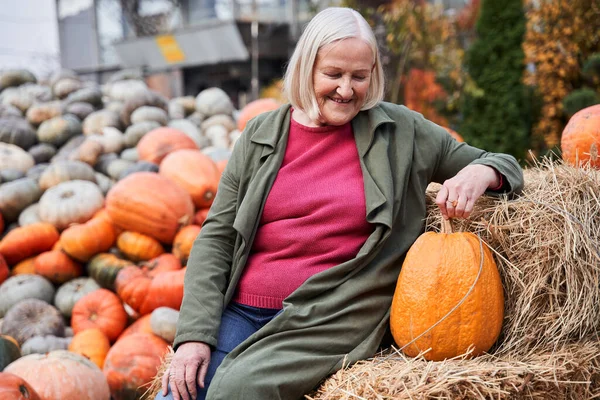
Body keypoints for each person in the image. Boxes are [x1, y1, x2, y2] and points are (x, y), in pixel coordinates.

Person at [157, 7, 524, 400]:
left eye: (359, 77)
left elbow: (505, 164)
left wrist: (480, 173)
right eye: (333, 74)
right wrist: (193, 335)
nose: (346, 90)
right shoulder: (261, 134)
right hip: (244, 311)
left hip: (329, 315)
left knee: (236, 392)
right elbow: (217, 237)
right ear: (306, 69)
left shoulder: (402, 131)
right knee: (177, 394)